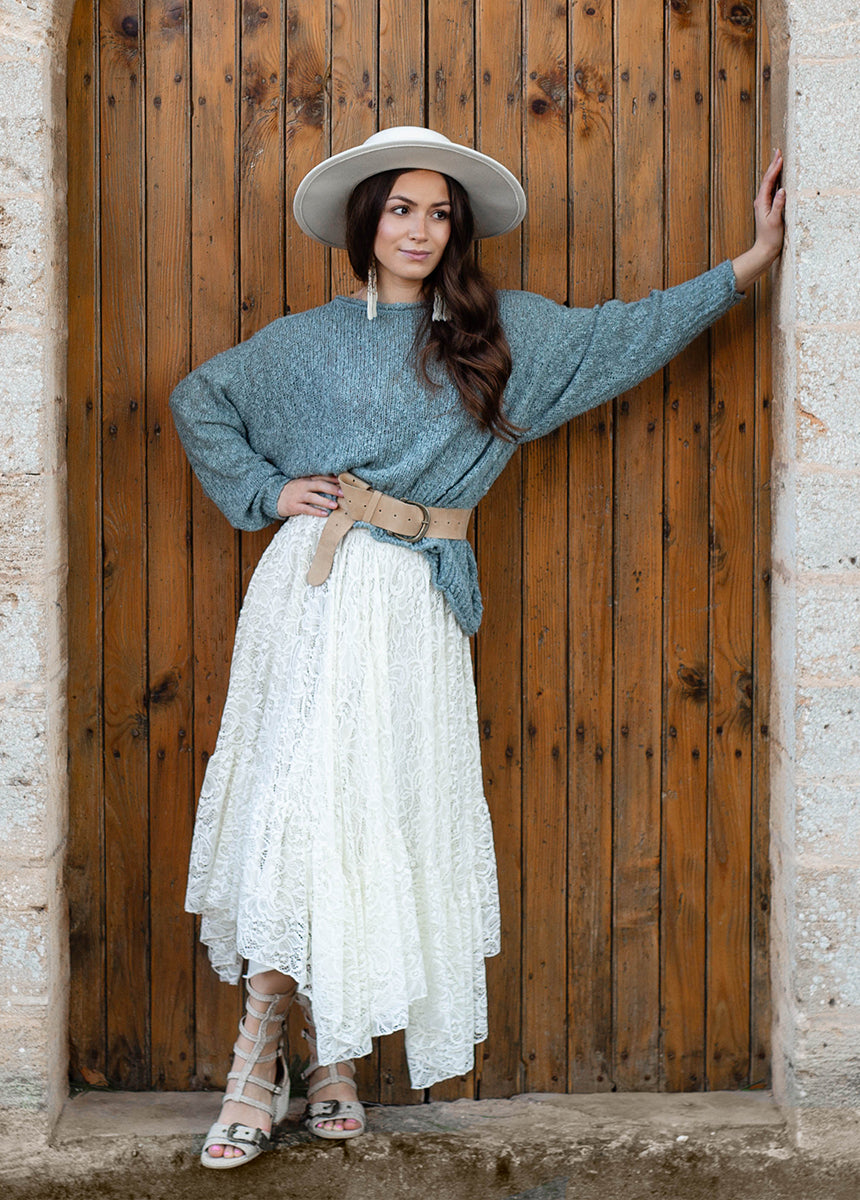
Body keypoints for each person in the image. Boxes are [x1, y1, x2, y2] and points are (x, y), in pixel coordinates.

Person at [169, 126, 785, 1169]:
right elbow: (201, 399)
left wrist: (752, 263)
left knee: (369, 814)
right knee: (300, 806)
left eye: (439, 213)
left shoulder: (500, 333)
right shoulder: (301, 342)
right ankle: (258, 1057)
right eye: (401, 209)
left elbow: (628, 331)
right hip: (313, 590)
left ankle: (330, 1061)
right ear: (367, 222)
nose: (420, 229)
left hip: (414, 604)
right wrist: (267, 492)